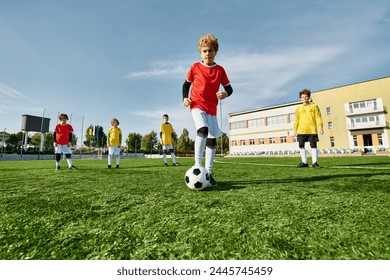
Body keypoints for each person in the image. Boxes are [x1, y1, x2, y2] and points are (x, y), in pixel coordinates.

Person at [182, 33, 233, 186]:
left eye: (210, 51)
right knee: (202, 130)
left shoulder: (220, 70)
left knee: (212, 139)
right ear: (200, 53)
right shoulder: (195, 67)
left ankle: (208, 174)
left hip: (212, 108)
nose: (207, 54)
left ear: (215, 52)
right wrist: (185, 98)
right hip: (196, 104)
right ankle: (197, 165)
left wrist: (225, 93)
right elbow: (186, 85)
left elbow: (229, 88)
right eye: (205, 51)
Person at [293, 89, 324, 168]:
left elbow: (318, 117)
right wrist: (295, 130)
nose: (304, 98)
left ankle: (315, 163)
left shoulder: (314, 106)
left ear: (309, 97)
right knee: (301, 145)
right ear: (300, 98)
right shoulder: (298, 109)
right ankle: (304, 162)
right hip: (301, 130)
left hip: (312, 130)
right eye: (302, 97)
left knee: (313, 146)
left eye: (306, 96)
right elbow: (296, 120)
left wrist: (320, 128)